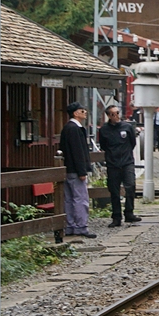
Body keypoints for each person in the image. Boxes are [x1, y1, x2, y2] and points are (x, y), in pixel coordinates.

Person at [97, 106, 142, 227]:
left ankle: (129, 212)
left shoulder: (127, 127)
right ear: (108, 116)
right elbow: (103, 145)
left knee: (130, 186)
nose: (116, 116)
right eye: (113, 114)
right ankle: (116, 216)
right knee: (114, 191)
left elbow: (132, 143)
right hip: (113, 163)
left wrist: (126, 154)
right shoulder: (104, 130)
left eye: (117, 113)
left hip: (127, 162)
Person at [57, 102, 96, 239]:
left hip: (68, 168)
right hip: (75, 170)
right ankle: (81, 226)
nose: (85, 112)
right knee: (80, 198)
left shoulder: (67, 128)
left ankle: (70, 225)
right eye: (82, 111)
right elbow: (78, 152)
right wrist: (82, 171)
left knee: (69, 198)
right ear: (75, 113)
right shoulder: (74, 129)